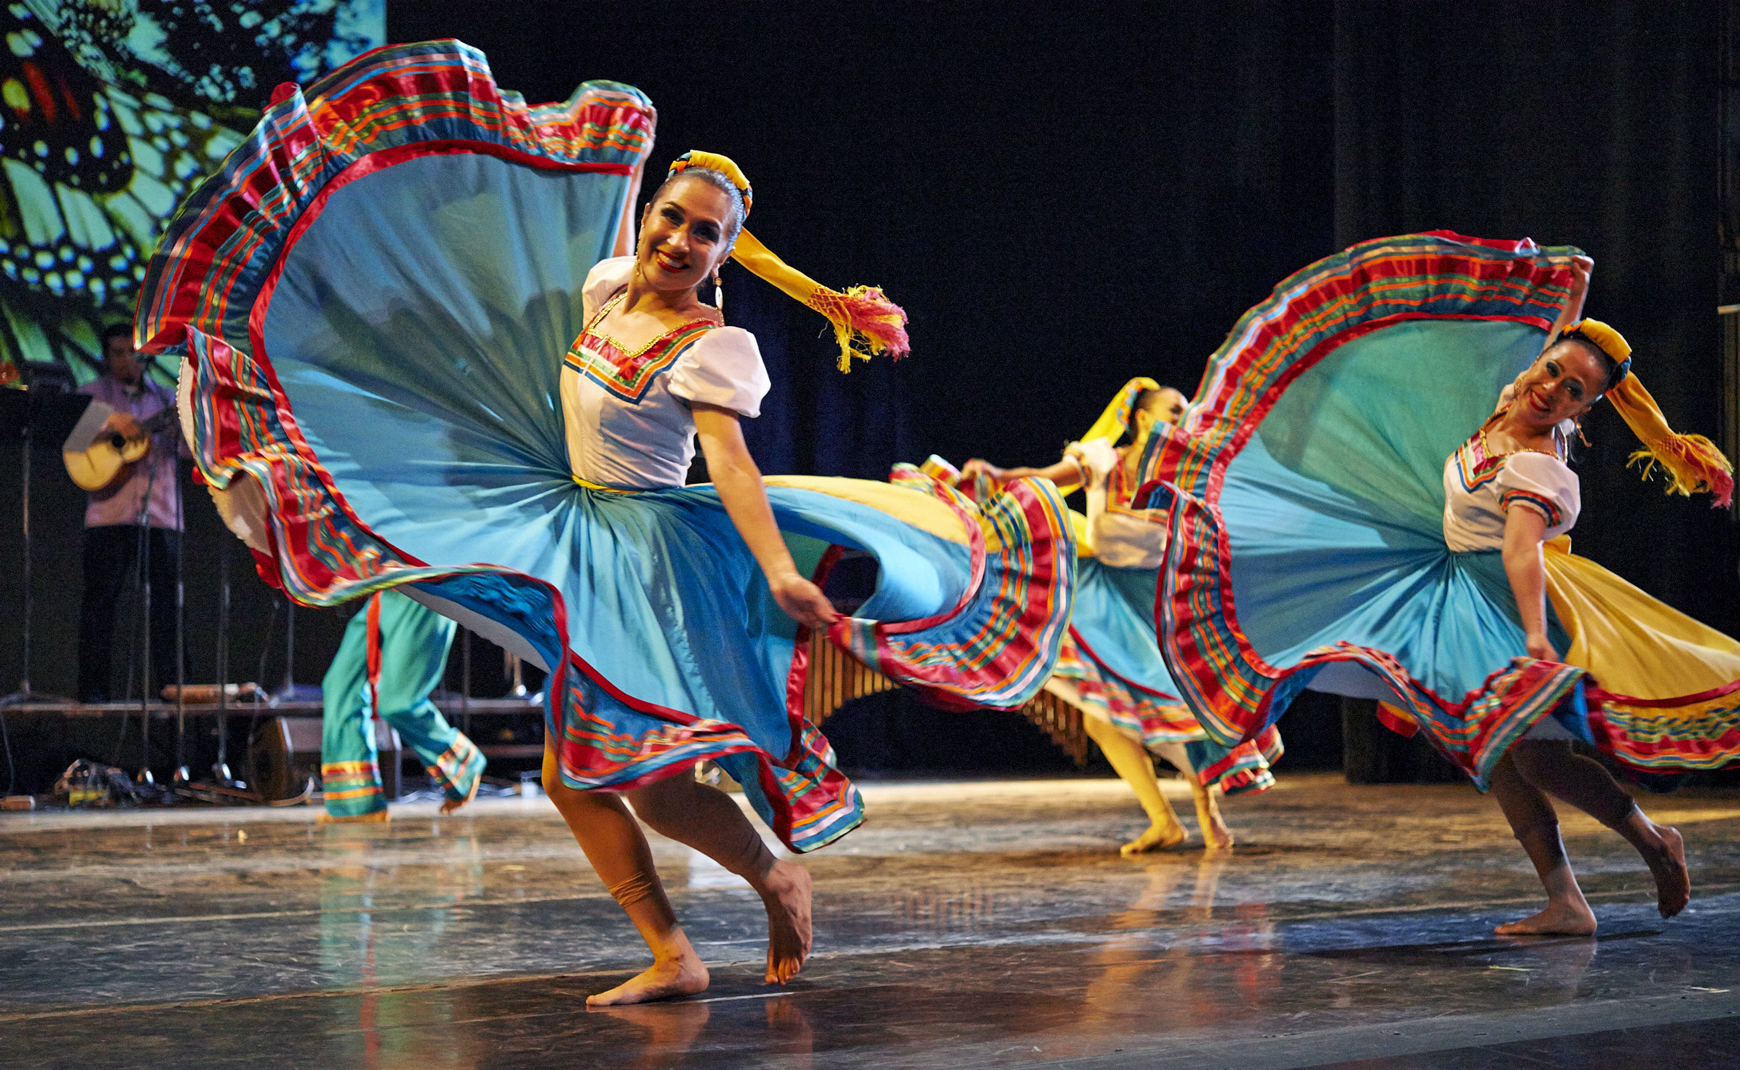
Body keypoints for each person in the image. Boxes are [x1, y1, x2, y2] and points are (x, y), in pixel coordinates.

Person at [139, 43, 1072, 1006]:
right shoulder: (603, 289)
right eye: (673, 217)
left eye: (706, 235)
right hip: (568, 524)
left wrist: (776, 568)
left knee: (611, 775)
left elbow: (733, 465)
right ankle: (690, 938)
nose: (680, 240)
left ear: (724, 253)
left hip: (642, 561)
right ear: (654, 213)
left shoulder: (715, 344)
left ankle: (754, 890)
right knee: (590, 775)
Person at [1143, 231, 1735, 935]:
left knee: (1538, 759)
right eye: (1552, 371)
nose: (1551, 389)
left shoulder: (1538, 463)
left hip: (1505, 607)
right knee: (1498, 761)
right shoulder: (1502, 411)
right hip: (1457, 593)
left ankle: (1650, 841)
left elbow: (1521, 553)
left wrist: (1538, 638)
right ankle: (1567, 899)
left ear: (1584, 409)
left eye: (1572, 390)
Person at [955, 379, 1278, 854]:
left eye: (1186, 410)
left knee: (1185, 706)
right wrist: (996, 475)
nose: (1183, 417)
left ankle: (1203, 818)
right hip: (1104, 598)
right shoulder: (1104, 457)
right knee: (1108, 720)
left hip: (1159, 600)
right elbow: (1043, 477)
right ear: (1143, 418)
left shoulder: (1187, 468)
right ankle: (1170, 821)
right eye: (1173, 409)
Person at [76, 322, 185, 703]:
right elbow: (78, 456)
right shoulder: (93, 397)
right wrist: (120, 441)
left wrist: (185, 425)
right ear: (107, 358)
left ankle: (173, 690)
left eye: (133, 353)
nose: (127, 361)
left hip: (160, 514)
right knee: (100, 605)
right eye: (118, 353)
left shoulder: (164, 400)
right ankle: (94, 693)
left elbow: (188, 455)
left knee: (167, 608)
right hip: (110, 515)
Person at [319, 590, 487, 821]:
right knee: (340, 687)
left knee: (398, 702)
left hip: (421, 589)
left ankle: (461, 763)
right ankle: (357, 804)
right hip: (384, 590)